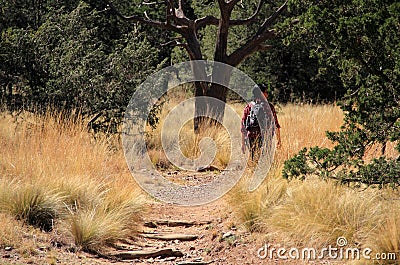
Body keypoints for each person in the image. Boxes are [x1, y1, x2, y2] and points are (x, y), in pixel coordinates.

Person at [241, 84, 281, 158]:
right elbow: (276, 125)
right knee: (265, 159)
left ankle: (253, 168)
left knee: (254, 159)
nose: (267, 94)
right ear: (262, 93)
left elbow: (243, 126)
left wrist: (243, 143)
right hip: (266, 137)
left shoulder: (249, 107)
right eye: (266, 92)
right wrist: (279, 140)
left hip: (251, 137)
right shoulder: (269, 107)